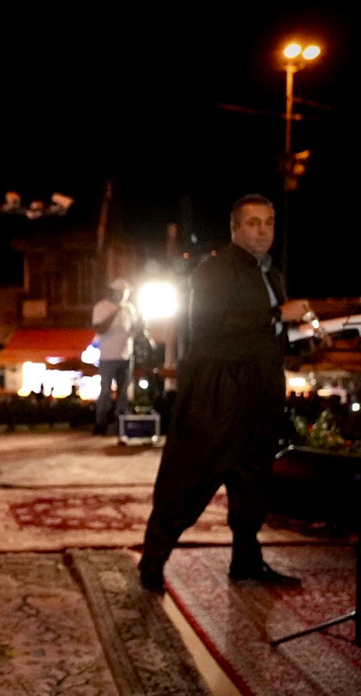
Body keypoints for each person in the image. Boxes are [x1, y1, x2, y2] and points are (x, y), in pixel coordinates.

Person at [138, 194, 312, 591]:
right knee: (191, 477)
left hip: (260, 392)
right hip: (217, 391)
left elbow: (267, 334)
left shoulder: (272, 275)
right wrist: (276, 314)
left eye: (268, 222)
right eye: (253, 223)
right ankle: (153, 560)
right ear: (234, 228)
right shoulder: (213, 270)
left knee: (253, 482)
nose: (263, 231)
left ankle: (246, 561)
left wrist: (303, 337)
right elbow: (214, 323)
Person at [92, 278, 137, 435]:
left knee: (124, 392)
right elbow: (100, 328)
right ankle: (101, 422)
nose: (125, 296)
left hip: (126, 355)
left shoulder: (130, 308)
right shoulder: (101, 307)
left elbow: (134, 329)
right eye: (122, 293)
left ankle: (121, 423)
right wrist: (116, 312)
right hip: (108, 356)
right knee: (105, 390)